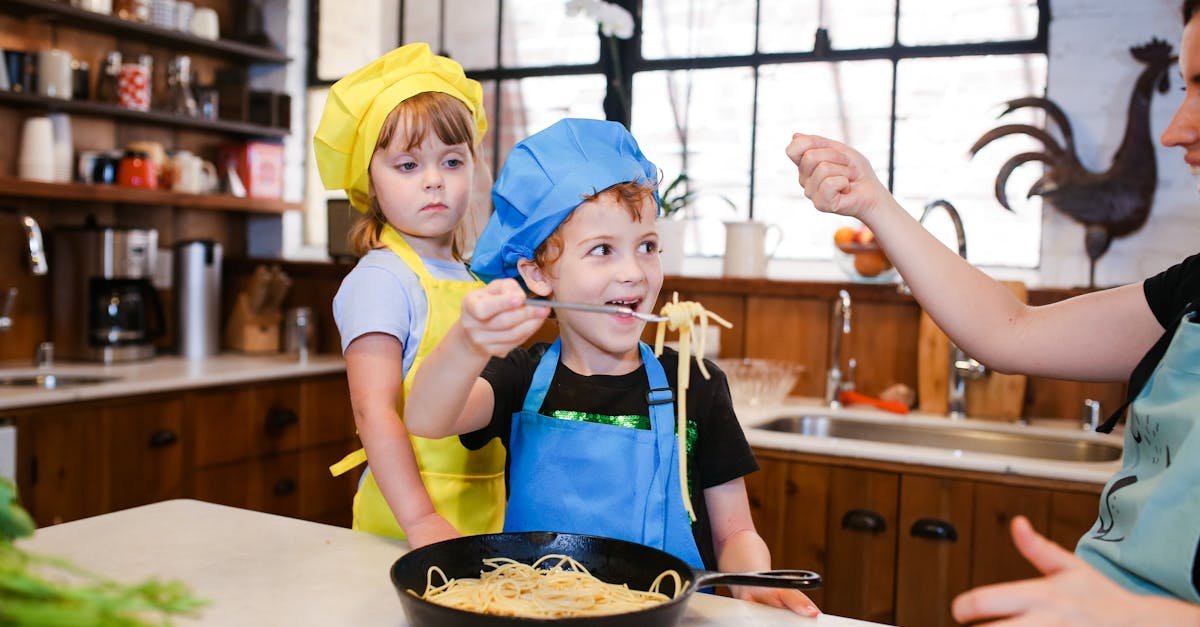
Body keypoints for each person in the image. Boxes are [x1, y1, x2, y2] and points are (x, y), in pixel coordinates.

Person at [786, 1, 1200, 622]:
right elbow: (1010, 331)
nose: (1174, 130)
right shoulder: (1190, 289)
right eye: (1186, 87)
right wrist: (875, 203)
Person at [404, 118, 819, 616]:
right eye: (602, 250)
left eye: (647, 246)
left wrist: (750, 579)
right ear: (537, 274)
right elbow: (427, 418)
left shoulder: (696, 384)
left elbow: (735, 530)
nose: (633, 271)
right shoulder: (521, 377)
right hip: (535, 611)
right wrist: (467, 343)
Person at [313, 43, 505, 547]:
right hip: (404, 527)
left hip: (485, 516)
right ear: (370, 184)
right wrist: (420, 520)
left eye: (452, 160)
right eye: (407, 166)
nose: (435, 181)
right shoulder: (382, 280)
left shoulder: (473, 278)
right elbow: (372, 412)